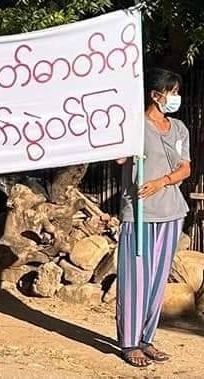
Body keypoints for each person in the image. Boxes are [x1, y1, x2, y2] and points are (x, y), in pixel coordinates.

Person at [116, 68, 191, 367]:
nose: (174, 98)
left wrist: (162, 181)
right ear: (155, 94)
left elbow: (186, 169)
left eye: (176, 92)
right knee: (136, 279)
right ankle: (130, 343)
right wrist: (121, 142)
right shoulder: (135, 125)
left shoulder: (179, 128)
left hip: (172, 211)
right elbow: (118, 157)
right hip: (139, 213)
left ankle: (147, 339)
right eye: (170, 92)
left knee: (158, 280)